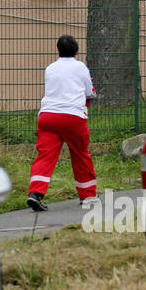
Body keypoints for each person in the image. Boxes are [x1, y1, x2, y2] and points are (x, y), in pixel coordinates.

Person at [27, 34, 96, 211]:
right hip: (72, 117)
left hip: (47, 117)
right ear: (76, 50)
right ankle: (87, 196)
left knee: (45, 156)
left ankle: (35, 193)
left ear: (58, 49)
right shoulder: (81, 68)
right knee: (80, 154)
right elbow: (89, 92)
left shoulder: (50, 68)